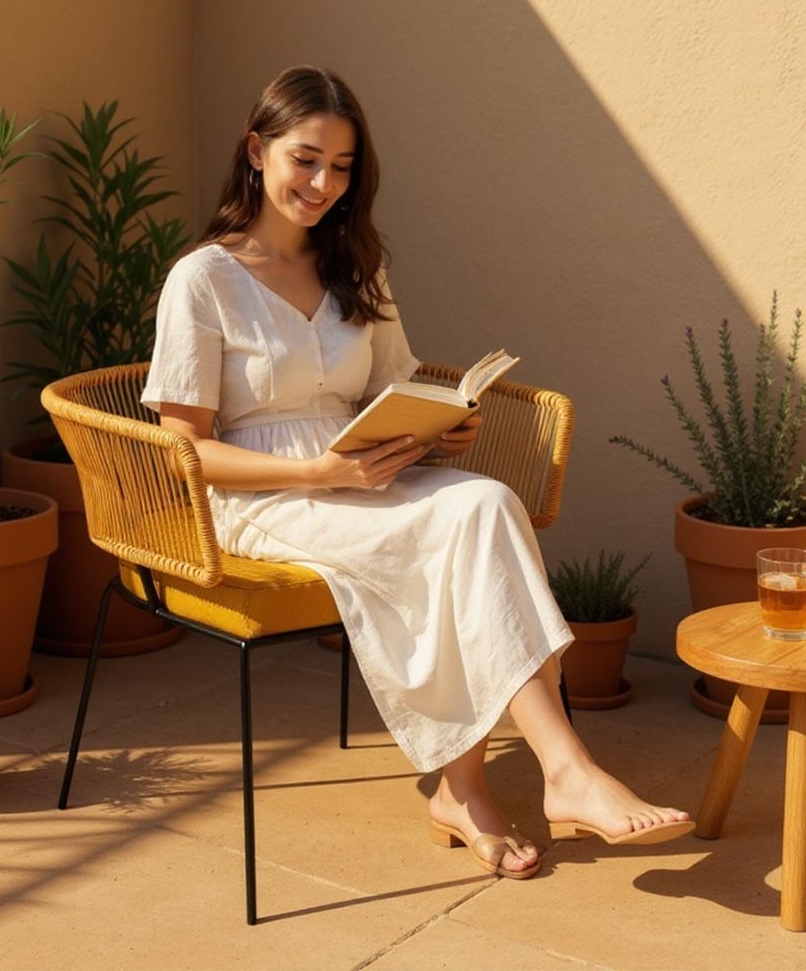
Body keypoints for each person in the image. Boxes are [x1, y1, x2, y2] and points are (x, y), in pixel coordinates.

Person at [142, 66, 693, 879]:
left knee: (485, 502)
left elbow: (391, 389)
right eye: (306, 159)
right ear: (256, 152)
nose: (324, 182)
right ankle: (557, 772)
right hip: (259, 491)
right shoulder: (204, 279)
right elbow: (183, 446)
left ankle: (473, 787)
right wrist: (318, 474)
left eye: (343, 166)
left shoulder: (356, 266)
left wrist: (440, 429)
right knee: (451, 532)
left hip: (363, 470)